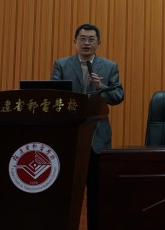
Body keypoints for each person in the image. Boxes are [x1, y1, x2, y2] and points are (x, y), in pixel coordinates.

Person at [52, 23, 124, 230]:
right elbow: (54, 95)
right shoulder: (61, 65)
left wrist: (101, 87)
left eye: (91, 39)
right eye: (82, 39)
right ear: (75, 42)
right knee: (66, 191)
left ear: (98, 43)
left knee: (96, 192)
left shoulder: (109, 66)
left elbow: (118, 96)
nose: (86, 43)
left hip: (97, 138)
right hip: (70, 136)